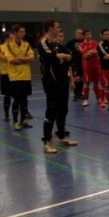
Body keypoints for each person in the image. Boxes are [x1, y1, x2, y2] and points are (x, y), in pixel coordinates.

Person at [38, 19, 77, 154]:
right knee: (52, 110)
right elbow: (51, 59)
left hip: (63, 80)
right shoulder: (43, 43)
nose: (59, 29)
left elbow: (71, 57)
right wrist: (61, 57)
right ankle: (47, 141)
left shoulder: (58, 44)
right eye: (57, 27)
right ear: (50, 28)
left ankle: (61, 136)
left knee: (63, 109)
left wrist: (62, 56)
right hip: (51, 81)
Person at [4, 24, 34, 131]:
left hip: (26, 76)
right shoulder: (8, 46)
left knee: (24, 100)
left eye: (24, 31)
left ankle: (23, 120)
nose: (24, 34)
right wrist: (25, 59)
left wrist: (20, 58)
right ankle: (15, 122)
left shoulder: (26, 45)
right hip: (15, 77)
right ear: (15, 33)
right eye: (21, 32)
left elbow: (32, 58)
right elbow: (12, 60)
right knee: (16, 100)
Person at [78, 30, 104, 108]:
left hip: (96, 65)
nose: (89, 36)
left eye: (90, 34)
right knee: (86, 82)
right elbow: (85, 55)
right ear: (84, 36)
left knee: (96, 82)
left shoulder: (95, 43)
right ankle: (86, 100)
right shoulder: (81, 45)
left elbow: (97, 52)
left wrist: (89, 52)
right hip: (87, 66)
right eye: (87, 34)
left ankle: (98, 98)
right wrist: (92, 52)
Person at [0, 31, 13, 121]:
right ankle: (6, 115)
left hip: (15, 75)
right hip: (5, 74)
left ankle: (25, 113)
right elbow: (5, 58)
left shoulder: (15, 47)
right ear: (6, 38)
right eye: (11, 38)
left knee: (20, 95)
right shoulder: (0, 48)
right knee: (7, 96)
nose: (13, 39)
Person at [66, 29, 85, 102]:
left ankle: (80, 93)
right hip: (74, 63)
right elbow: (66, 49)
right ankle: (76, 94)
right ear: (75, 34)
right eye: (78, 33)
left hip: (83, 62)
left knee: (81, 79)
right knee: (76, 78)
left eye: (81, 33)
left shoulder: (84, 42)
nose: (79, 34)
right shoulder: (71, 42)